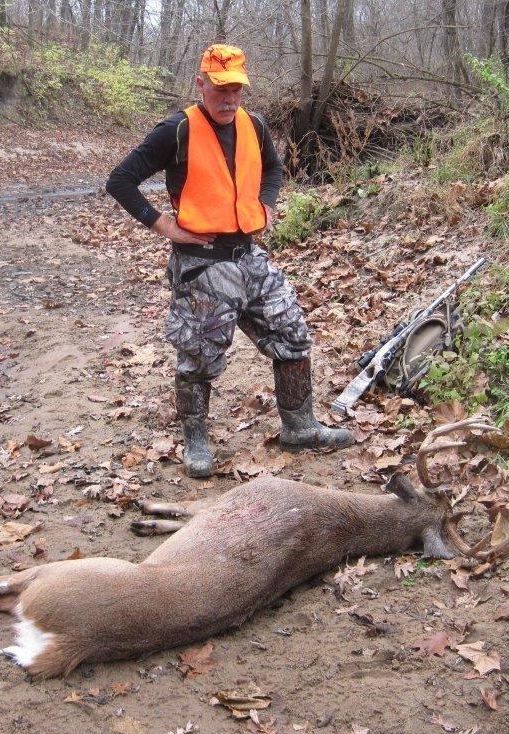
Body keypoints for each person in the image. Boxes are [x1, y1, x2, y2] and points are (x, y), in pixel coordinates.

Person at [106, 43, 352, 478]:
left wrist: (267, 204)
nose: (228, 99)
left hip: (249, 255)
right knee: (200, 356)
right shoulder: (176, 130)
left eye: (236, 89)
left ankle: (299, 426)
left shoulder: (254, 125)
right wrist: (160, 224)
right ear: (200, 83)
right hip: (201, 263)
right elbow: (121, 180)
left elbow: (273, 169)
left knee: (292, 333)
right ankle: (196, 441)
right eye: (220, 89)